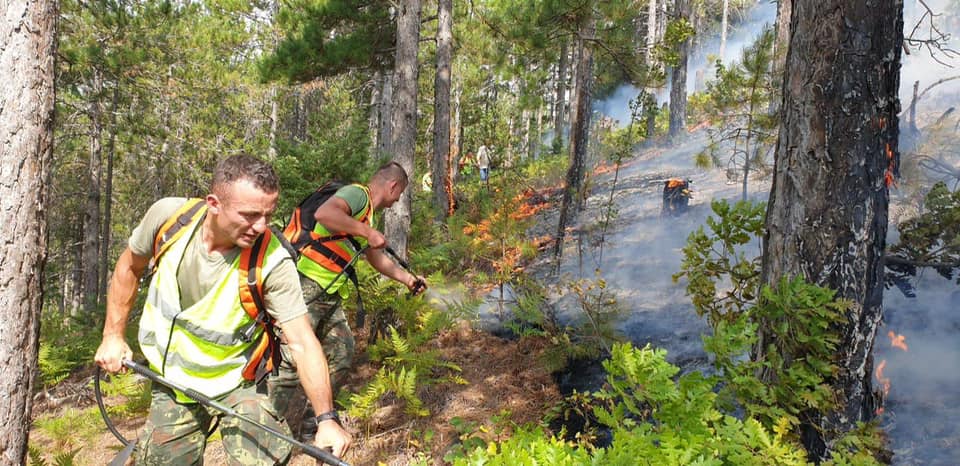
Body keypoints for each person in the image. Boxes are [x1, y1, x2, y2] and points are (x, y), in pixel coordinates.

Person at [94, 155, 351, 464]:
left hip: (241, 382)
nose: (261, 226)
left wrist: (326, 418)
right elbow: (128, 268)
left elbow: (301, 341)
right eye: (250, 215)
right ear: (214, 203)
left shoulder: (273, 260)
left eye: (268, 215)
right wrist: (112, 336)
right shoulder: (169, 219)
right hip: (173, 380)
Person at [269, 161, 427, 439]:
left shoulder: (366, 215)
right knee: (291, 359)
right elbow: (325, 213)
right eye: (398, 195)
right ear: (392, 186)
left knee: (342, 351)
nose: (396, 201)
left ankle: (315, 424)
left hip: (329, 294)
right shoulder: (358, 195)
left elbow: (376, 258)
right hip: (306, 284)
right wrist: (367, 232)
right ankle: (266, 426)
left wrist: (407, 279)